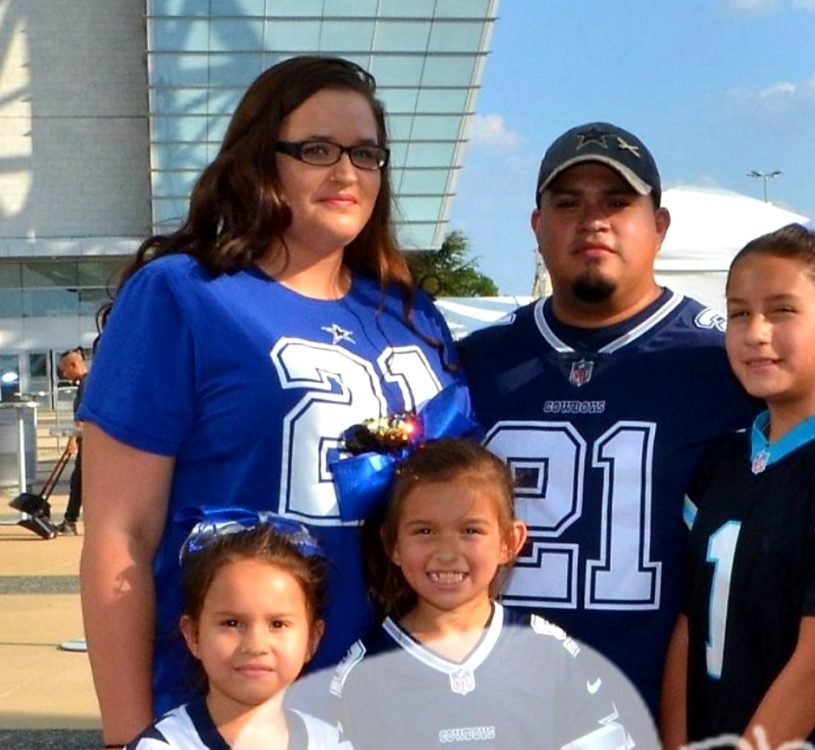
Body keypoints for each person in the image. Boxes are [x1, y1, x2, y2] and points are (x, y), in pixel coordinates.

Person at [78, 56, 460, 748]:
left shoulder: (414, 317)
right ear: (262, 159)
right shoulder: (183, 294)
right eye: (317, 149)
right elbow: (119, 531)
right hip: (227, 714)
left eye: (367, 153)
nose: (347, 172)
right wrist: (130, 734)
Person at [461, 121, 815, 720]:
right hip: (500, 707)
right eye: (568, 203)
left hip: (655, 707)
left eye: (618, 202)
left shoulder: (720, 359)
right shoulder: (473, 363)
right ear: (537, 226)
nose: (594, 220)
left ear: (659, 226)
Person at [660, 224, 815, 749]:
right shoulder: (722, 460)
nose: (756, 331)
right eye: (739, 313)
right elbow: (687, 626)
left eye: (782, 310)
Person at [329, 437, 644, 749]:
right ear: (393, 544)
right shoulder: (364, 672)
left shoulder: (547, 651)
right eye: (425, 531)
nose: (447, 553)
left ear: (510, 541)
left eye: (470, 531)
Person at [126, 515, 352, 749]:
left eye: (277, 624)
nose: (255, 645)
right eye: (232, 623)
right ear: (193, 635)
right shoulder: (163, 745)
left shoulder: (331, 742)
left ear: (312, 639)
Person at [56, 347, 88, 536]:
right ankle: (70, 519)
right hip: (89, 442)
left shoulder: (86, 384)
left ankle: (71, 520)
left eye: (65, 369)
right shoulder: (85, 383)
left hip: (90, 444)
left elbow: (82, 417)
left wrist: (72, 441)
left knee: (79, 481)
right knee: (78, 481)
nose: (64, 373)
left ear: (74, 365)